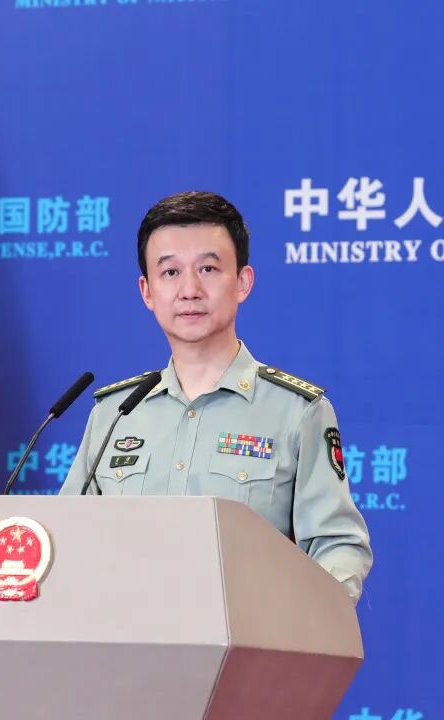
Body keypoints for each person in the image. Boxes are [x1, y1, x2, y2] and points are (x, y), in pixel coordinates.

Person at [59, 191, 372, 604]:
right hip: (129, 637)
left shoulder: (296, 412)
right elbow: (67, 537)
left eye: (208, 268)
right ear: (147, 291)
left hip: (251, 638)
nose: (189, 289)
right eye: (170, 272)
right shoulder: (115, 414)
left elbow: (338, 545)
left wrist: (304, 625)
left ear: (242, 282)